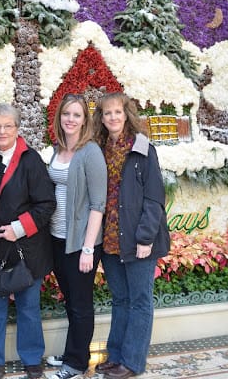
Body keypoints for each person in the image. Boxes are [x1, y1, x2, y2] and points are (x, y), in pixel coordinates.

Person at [0, 103, 56, 379]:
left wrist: (18, 229)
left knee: (29, 308)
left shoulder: (31, 160)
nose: (2, 131)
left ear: (17, 128)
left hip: (25, 249)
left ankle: (33, 359)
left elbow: (46, 204)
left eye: (8, 125)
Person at [92, 92, 170, 379]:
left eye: (117, 112)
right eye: (107, 113)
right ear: (101, 118)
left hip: (138, 239)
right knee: (120, 299)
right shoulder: (99, 148)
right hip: (111, 238)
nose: (112, 117)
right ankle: (115, 356)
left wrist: (146, 238)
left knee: (139, 301)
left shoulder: (142, 149)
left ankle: (133, 362)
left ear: (127, 115)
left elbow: (154, 198)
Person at [46, 94, 107, 379]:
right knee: (70, 299)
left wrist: (87, 249)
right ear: (60, 117)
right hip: (57, 238)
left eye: (77, 115)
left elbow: (98, 204)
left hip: (80, 242)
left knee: (81, 303)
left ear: (85, 120)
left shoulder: (90, 152)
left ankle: (77, 363)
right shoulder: (57, 150)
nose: (70, 119)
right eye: (66, 114)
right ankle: (73, 351)